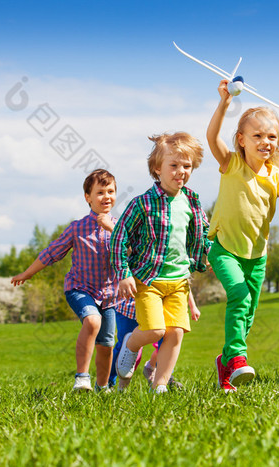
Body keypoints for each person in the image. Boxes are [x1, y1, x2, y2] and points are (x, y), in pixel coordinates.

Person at [207, 79, 279, 393]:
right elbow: (211, 136)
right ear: (242, 140)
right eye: (258, 135)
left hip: (256, 257)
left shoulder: (277, 176)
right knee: (238, 296)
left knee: (247, 312)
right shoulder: (230, 164)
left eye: (272, 136)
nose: (266, 141)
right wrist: (224, 102)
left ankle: (227, 364)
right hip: (223, 248)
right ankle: (237, 358)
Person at [112, 132, 210, 394]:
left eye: (187, 166)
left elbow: (202, 235)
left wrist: (208, 254)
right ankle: (131, 345)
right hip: (149, 280)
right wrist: (124, 273)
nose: (181, 171)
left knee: (176, 332)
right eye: (174, 165)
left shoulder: (192, 201)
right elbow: (119, 238)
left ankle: (160, 385)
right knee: (155, 330)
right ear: (157, 169)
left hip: (179, 282)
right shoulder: (142, 204)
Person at [11, 169, 119, 393]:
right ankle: (82, 378)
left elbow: (133, 252)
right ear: (87, 197)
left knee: (107, 345)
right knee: (92, 321)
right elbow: (51, 253)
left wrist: (115, 231)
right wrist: (27, 273)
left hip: (109, 294)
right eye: (100, 192)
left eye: (111, 191)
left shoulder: (121, 228)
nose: (106, 196)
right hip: (80, 288)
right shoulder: (77, 228)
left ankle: (103, 388)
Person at [109, 291, 200, 391]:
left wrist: (192, 305)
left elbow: (181, 278)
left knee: (166, 343)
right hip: (130, 308)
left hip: (160, 308)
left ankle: (165, 379)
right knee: (125, 347)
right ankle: (108, 381)